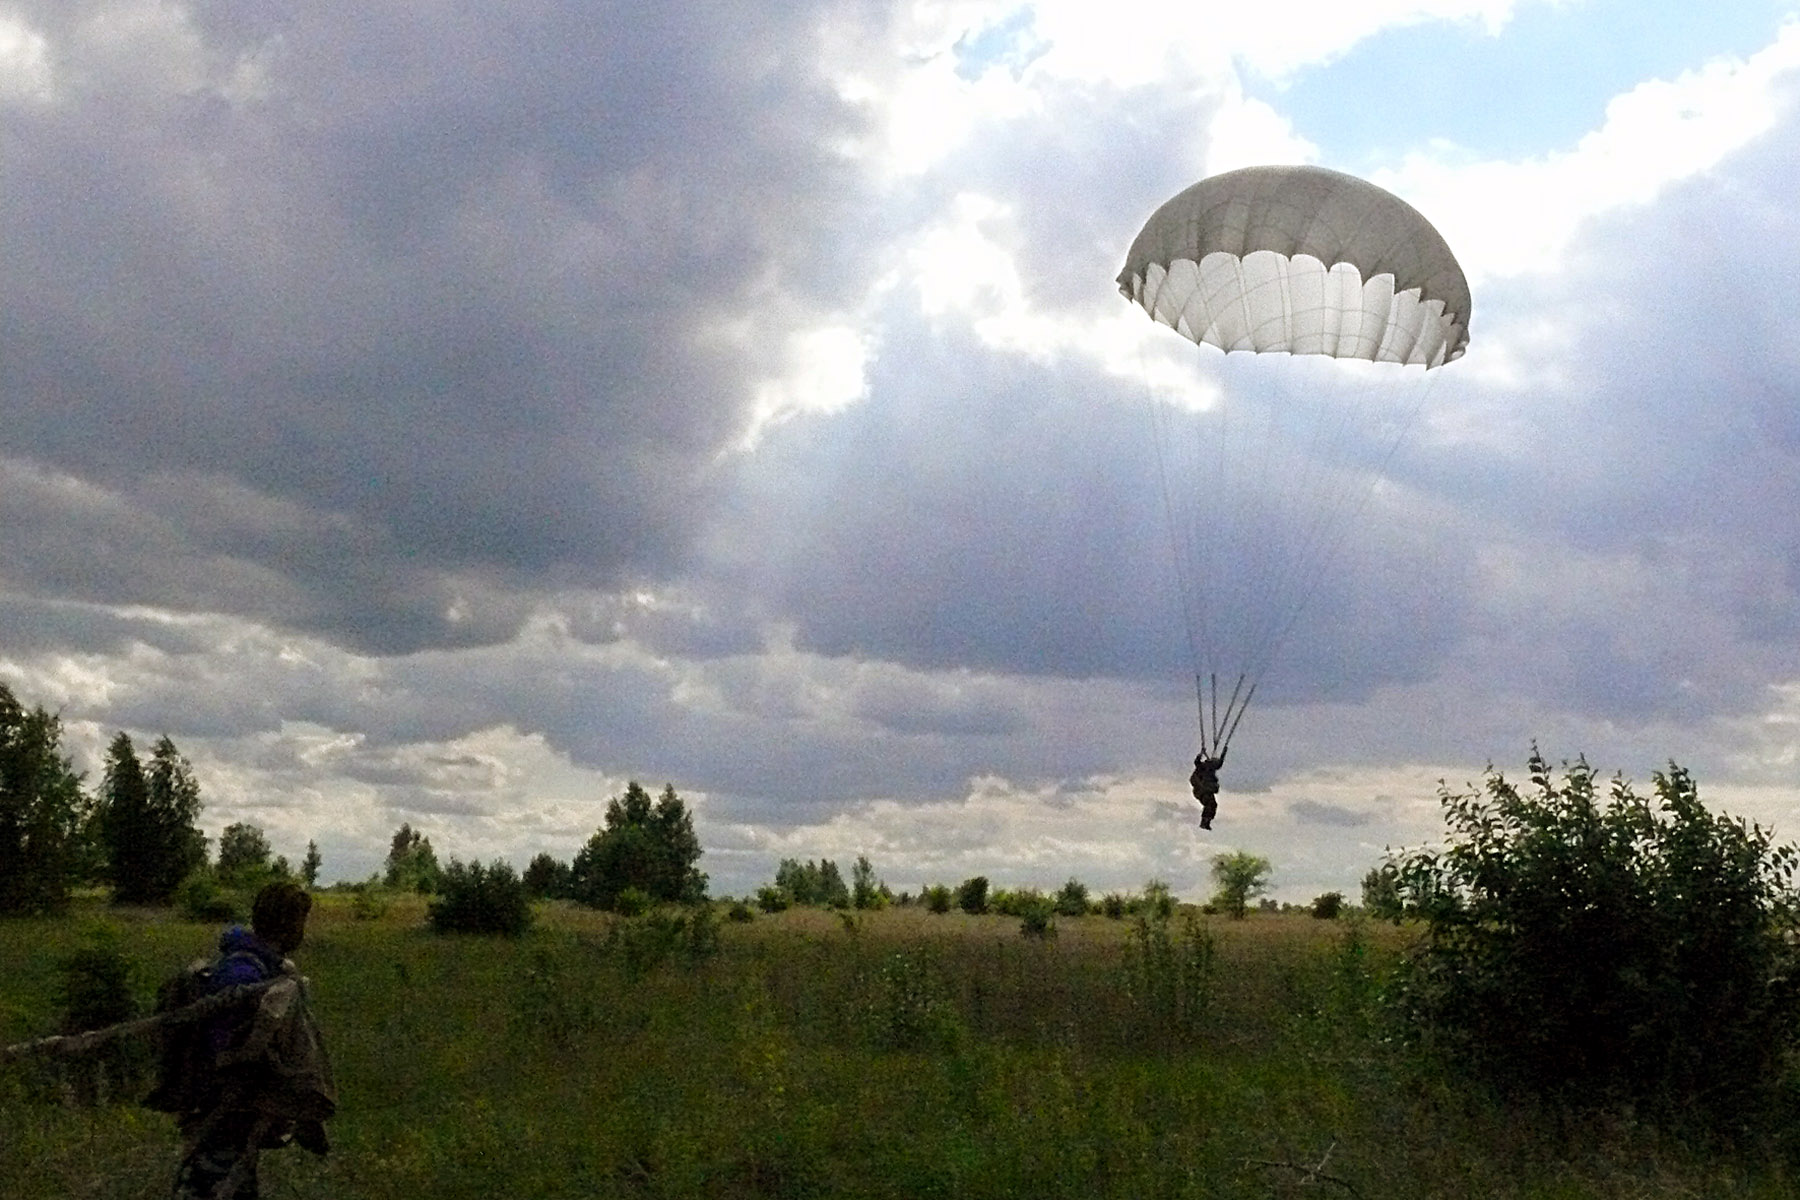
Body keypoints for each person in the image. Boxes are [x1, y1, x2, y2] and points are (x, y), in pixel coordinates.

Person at [170, 880, 335, 1200]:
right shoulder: (243, 974)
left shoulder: (261, 967)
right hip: (224, 1110)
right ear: (287, 925)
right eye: (300, 920)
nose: (303, 930)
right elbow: (224, 1048)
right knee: (213, 1184)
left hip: (236, 1111)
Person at [1190, 748, 1226, 830]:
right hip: (1202, 791)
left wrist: (1224, 752)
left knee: (1213, 805)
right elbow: (1197, 762)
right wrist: (1201, 754)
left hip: (1206, 791)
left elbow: (1219, 764)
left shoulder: (1210, 770)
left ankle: (1206, 822)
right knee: (1209, 804)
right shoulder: (1203, 767)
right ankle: (1204, 822)